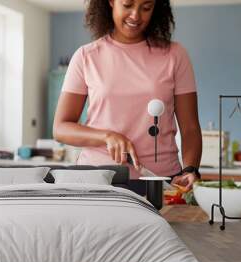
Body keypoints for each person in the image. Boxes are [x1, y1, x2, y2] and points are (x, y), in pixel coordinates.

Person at [53, 0, 202, 190]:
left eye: (146, 7)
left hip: (161, 181)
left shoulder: (175, 55)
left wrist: (190, 169)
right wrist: (106, 136)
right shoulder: (86, 56)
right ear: (111, 2)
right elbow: (61, 128)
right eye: (127, 5)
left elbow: (190, 128)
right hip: (98, 180)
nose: (136, 15)